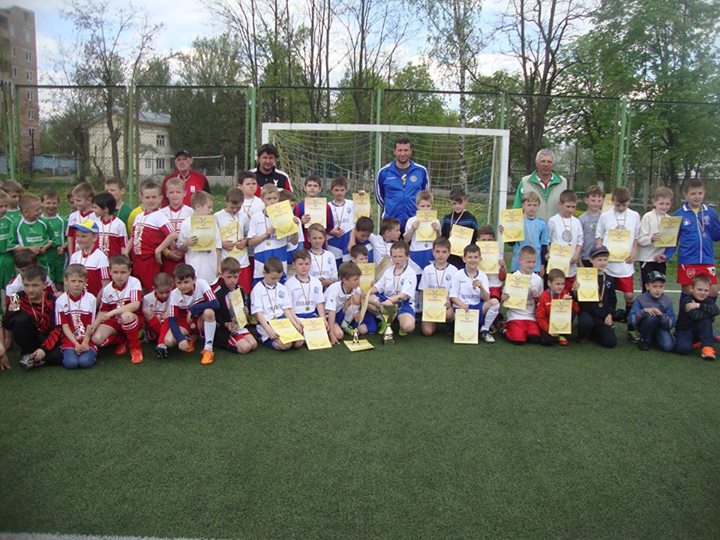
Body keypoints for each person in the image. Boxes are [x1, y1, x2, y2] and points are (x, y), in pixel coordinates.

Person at [663, 178, 720, 308]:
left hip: (707, 258)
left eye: (700, 193)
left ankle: (706, 318)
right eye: (693, 193)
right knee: (689, 290)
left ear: (704, 193)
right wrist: (666, 255)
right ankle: (684, 320)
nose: (697, 196)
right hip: (688, 259)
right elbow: (672, 239)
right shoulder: (679, 214)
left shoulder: (711, 213)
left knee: (712, 290)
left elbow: (716, 235)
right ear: (686, 194)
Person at [595, 186, 641, 340]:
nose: (621, 207)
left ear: (629, 202)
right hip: (608, 264)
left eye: (624, 205)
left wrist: (634, 253)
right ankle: (609, 321)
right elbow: (599, 237)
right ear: (612, 201)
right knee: (608, 295)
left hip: (625, 264)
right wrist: (600, 256)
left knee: (629, 295)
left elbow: (636, 237)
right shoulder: (605, 216)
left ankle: (630, 324)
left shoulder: (634, 215)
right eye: (618, 205)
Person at [156, 263, 219, 365]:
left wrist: (193, 308)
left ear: (194, 279)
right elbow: (172, 319)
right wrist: (180, 339)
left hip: (200, 320)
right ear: (175, 283)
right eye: (179, 283)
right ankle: (189, 338)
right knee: (168, 341)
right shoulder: (174, 294)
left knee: (209, 312)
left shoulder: (202, 284)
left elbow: (215, 303)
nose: (183, 286)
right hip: (185, 322)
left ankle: (208, 348)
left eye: (186, 282)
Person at [2, 266, 61, 368]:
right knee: (20, 319)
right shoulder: (16, 297)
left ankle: (37, 357)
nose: (30, 290)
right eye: (26, 285)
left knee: (57, 356)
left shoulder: (52, 300)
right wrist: (11, 311)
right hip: (28, 337)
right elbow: (7, 323)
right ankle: (28, 353)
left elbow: (57, 328)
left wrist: (44, 349)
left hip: (46, 337)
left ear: (45, 285)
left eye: (35, 285)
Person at [91, 254, 144, 364]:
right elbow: (103, 311)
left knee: (126, 316)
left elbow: (135, 305)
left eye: (123, 272)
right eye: (115, 272)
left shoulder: (134, 282)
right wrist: (94, 326)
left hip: (133, 319)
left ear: (129, 271)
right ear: (110, 271)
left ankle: (135, 348)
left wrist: (112, 312)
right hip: (115, 322)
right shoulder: (107, 289)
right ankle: (123, 340)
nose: (119, 276)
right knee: (96, 339)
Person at [127, 181, 178, 292]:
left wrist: (158, 250)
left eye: (154, 197)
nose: (151, 200)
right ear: (141, 198)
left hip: (150, 260)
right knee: (137, 288)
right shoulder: (138, 216)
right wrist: (126, 252)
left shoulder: (159, 216)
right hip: (136, 259)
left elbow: (173, 234)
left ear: (160, 198)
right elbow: (133, 237)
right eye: (147, 197)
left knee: (151, 288)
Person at [247, 184, 300, 286]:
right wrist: (266, 234)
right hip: (261, 261)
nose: (272, 201)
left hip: (280, 260)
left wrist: (295, 229)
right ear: (262, 199)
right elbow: (251, 243)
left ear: (279, 198)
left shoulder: (286, 216)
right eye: (269, 198)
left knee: (279, 290)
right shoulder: (256, 217)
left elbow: (294, 242)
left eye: (275, 198)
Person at [375, 137, 430, 232]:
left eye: (406, 150)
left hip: (414, 223)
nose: (403, 154)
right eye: (400, 150)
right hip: (390, 224)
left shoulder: (421, 171)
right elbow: (380, 197)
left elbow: (425, 196)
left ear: (411, 151)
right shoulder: (384, 172)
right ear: (394, 151)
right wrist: (393, 206)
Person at [448, 244, 500, 343]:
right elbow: (453, 296)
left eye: (476, 257)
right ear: (464, 259)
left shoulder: (482, 275)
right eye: (470, 257)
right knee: (462, 332)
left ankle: (484, 330)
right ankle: (455, 326)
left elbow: (487, 299)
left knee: (495, 302)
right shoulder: (458, 274)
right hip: (461, 308)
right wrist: (462, 304)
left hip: (476, 307)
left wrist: (481, 287)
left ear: (480, 259)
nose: (473, 260)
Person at [250, 257, 304, 351]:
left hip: (283, 322)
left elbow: (286, 309)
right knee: (286, 345)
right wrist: (269, 330)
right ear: (264, 273)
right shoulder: (257, 289)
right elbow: (258, 313)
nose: (276, 281)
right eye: (273, 278)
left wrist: (295, 323)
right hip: (267, 323)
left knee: (299, 343)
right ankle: (262, 338)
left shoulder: (282, 288)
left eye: (278, 278)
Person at [573, 245, 617, 348]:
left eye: (605, 259)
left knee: (610, 343)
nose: (603, 262)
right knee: (586, 323)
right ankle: (583, 335)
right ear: (591, 260)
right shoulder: (583, 276)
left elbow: (612, 299)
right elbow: (576, 299)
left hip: (602, 315)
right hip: (587, 312)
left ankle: (593, 334)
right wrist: (575, 291)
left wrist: (610, 314)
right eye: (599, 260)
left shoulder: (609, 279)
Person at [211, 257, 257, 355]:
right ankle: (220, 342)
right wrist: (225, 324)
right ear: (222, 275)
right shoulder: (218, 293)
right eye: (229, 277)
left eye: (235, 277)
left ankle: (239, 339)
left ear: (239, 274)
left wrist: (246, 312)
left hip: (238, 326)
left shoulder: (240, 290)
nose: (232, 280)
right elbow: (215, 315)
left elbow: (243, 310)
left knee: (253, 344)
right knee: (245, 348)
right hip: (225, 329)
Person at [55, 264, 97, 369]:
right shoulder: (60, 301)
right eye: (73, 281)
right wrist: (76, 344)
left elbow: (90, 324)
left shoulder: (91, 299)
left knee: (85, 362)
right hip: (70, 340)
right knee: (71, 364)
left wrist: (85, 342)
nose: (77, 284)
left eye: (80, 281)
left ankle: (92, 355)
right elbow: (65, 326)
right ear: (66, 281)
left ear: (86, 281)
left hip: (87, 338)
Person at [370, 241, 417, 336]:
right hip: (386, 302)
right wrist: (367, 292)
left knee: (408, 327)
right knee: (367, 298)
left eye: (400, 256)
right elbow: (378, 287)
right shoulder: (388, 271)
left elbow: (404, 295)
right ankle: (384, 320)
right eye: (394, 256)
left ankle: (400, 322)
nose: (397, 259)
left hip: (403, 304)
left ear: (407, 256)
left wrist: (391, 301)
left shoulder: (411, 273)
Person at [177, 191, 222, 285]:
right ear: (198, 207)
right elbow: (180, 247)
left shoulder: (213, 223)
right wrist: (186, 243)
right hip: (194, 267)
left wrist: (218, 266)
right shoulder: (186, 224)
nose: (211, 210)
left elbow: (218, 246)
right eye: (209, 207)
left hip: (211, 267)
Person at [502, 245, 544, 345]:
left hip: (530, 316)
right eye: (528, 262)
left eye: (534, 262)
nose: (531, 265)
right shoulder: (514, 277)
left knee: (534, 339)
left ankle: (524, 331)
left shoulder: (538, 279)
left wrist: (537, 297)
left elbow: (540, 302)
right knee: (518, 340)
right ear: (520, 261)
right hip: (515, 315)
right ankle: (504, 328)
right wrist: (504, 298)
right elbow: (505, 298)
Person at [513, 148, 568, 222]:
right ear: (536, 164)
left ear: (553, 164)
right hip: (531, 228)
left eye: (549, 162)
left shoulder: (563, 182)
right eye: (543, 161)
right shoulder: (525, 182)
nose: (546, 164)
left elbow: (568, 208)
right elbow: (517, 208)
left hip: (556, 228)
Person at [627, 270, 675, 352]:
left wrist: (661, 315)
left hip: (660, 327)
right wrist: (644, 311)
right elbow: (631, 320)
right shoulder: (640, 299)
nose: (658, 290)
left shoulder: (667, 301)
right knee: (651, 317)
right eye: (654, 286)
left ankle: (654, 337)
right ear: (647, 286)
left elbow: (671, 324)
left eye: (661, 286)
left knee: (668, 347)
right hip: (645, 326)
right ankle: (645, 340)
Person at [418, 237, 458, 336]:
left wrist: (449, 302)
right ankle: (435, 323)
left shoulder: (454, 270)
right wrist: (427, 306)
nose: (440, 255)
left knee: (449, 314)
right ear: (433, 252)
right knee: (427, 332)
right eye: (437, 251)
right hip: (431, 306)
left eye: (444, 252)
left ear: (449, 253)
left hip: (446, 305)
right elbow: (423, 291)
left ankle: (449, 323)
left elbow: (455, 292)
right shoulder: (427, 269)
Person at [215, 187, 251, 295]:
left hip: (242, 261)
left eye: (238, 207)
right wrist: (221, 244)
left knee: (243, 292)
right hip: (225, 260)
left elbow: (249, 235)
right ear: (226, 201)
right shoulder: (217, 216)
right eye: (232, 207)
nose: (235, 210)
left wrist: (245, 242)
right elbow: (212, 239)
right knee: (227, 293)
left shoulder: (244, 217)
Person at [637, 186, 674, 290]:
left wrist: (665, 256)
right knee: (647, 287)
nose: (664, 207)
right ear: (654, 202)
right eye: (661, 203)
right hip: (647, 259)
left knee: (659, 288)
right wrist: (651, 239)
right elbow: (640, 239)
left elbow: (672, 242)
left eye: (667, 204)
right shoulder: (647, 217)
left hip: (660, 260)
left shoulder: (670, 220)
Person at [675, 274, 719, 360]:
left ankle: (707, 348)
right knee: (683, 349)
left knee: (705, 320)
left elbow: (717, 310)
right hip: (685, 329)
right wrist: (710, 314)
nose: (703, 293)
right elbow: (695, 315)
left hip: (699, 329)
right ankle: (697, 341)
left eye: (706, 290)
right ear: (692, 289)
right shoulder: (687, 300)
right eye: (699, 289)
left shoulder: (708, 301)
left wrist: (698, 305)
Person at [547, 189, 583, 289]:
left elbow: (580, 241)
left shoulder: (577, 222)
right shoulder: (553, 221)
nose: (570, 210)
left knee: (570, 291)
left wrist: (576, 255)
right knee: (557, 290)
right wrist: (551, 254)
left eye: (573, 207)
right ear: (560, 204)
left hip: (571, 265)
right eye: (568, 206)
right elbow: (548, 241)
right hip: (557, 265)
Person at [505, 191, 548, 275]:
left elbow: (544, 245)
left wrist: (543, 264)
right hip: (518, 265)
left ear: (538, 206)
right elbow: (511, 243)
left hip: (535, 265)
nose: (532, 208)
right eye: (529, 205)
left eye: (535, 205)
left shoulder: (542, 224)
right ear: (523, 205)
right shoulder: (516, 221)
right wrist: (506, 232)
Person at [325, 261, 366, 345]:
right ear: (344, 280)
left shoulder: (356, 288)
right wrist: (331, 333)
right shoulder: (334, 289)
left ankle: (345, 325)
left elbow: (362, 302)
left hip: (341, 313)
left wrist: (359, 313)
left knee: (363, 329)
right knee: (339, 335)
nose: (358, 282)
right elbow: (331, 313)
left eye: (358, 279)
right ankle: (329, 329)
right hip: (328, 316)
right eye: (355, 279)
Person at [160, 177, 194, 276]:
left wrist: (182, 250)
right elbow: (158, 237)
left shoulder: (191, 212)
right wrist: (167, 252)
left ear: (185, 193)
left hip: (186, 255)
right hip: (167, 256)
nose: (175, 195)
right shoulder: (161, 213)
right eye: (171, 192)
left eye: (178, 192)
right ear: (166, 194)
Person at [535, 268, 578, 346]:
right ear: (549, 283)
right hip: (548, 323)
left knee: (572, 312)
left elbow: (576, 310)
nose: (560, 287)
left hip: (560, 323)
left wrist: (570, 302)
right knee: (547, 341)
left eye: (562, 284)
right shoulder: (544, 296)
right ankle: (556, 335)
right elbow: (540, 317)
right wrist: (549, 329)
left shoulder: (565, 293)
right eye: (557, 284)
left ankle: (562, 333)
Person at [404, 191, 441, 280]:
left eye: (428, 206)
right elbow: (405, 240)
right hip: (415, 253)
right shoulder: (411, 221)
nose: (425, 209)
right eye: (422, 206)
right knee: (416, 278)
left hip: (430, 252)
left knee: (430, 278)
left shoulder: (436, 221)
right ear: (417, 206)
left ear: (432, 206)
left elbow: (439, 241)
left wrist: (437, 231)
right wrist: (412, 229)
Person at [68, 220, 110, 298]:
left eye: (83, 236)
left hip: (94, 301)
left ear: (95, 237)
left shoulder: (101, 257)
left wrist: (96, 303)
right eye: (77, 236)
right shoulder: (74, 256)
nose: (79, 239)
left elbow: (106, 285)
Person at [441, 187, 479, 269]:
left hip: (464, 258)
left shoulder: (471, 219)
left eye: (460, 203)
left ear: (466, 202)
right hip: (449, 257)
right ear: (450, 203)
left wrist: (469, 253)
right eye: (454, 204)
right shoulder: (447, 219)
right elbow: (443, 237)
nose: (457, 206)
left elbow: (475, 239)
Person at [286, 249, 327, 321]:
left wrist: (323, 319)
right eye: (300, 264)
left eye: (306, 264)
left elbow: (319, 303)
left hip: (312, 315)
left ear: (310, 264)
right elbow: (289, 307)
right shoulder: (289, 284)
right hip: (296, 316)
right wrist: (296, 321)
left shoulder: (316, 282)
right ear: (294, 265)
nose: (304, 267)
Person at [15, 194, 53, 272]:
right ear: (26, 212)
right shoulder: (17, 224)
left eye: (40, 208)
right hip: (26, 263)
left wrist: (45, 247)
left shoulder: (44, 222)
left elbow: (52, 239)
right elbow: (12, 246)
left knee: (44, 277)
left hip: (42, 260)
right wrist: (29, 249)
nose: (40, 211)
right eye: (37, 210)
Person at [295, 175, 334, 248]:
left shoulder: (326, 207)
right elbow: (294, 227)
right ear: (305, 188)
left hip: (320, 244)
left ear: (320, 189)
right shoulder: (298, 207)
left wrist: (320, 233)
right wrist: (301, 222)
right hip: (304, 244)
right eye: (309, 185)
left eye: (315, 186)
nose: (312, 188)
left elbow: (330, 225)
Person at [40, 188, 66, 291]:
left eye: (54, 203)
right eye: (48, 203)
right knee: (46, 280)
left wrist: (63, 247)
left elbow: (68, 238)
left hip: (59, 255)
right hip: (45, 255)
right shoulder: (39, 221)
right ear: (42, 203)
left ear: (58, 203)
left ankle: (60, 299)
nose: (51, 206)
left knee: (60, 281)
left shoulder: (63, 221)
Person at [326, 177, 354, 267]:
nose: (339, 193)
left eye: (342, 190)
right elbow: (321, 225)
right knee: (335, 266)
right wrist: (330, 231)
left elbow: (366, 214)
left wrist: (363, 197)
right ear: (332, 190)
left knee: (348, 268)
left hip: (348, 240)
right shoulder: (327, 206)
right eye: (336, 190)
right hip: (332, 241)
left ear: (346, 190)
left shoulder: (352, 204)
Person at [92, 191, 128, 259]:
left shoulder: (119, 224)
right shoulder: (94, 223)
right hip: (97, 261)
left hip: (114, 262)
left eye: (95, 208)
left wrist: (122, 261)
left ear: (105, 209)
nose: (93, 210)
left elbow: (123, 245)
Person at [142, 272, 172, 343]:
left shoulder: (175, 295)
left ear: (171, 287)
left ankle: (163, 338)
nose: (164, 295)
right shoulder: (147, 298)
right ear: (154, 288)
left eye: (167, 292)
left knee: (171, 313)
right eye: (161, 293)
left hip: (169, 325)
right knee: (147, 311)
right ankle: (163, 337)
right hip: (154, 324)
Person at [66, 183, 95, 255]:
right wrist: (71, 255)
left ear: (89, 200)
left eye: (78, 201)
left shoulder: (95, 216)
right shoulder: (73, 216)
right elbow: (70, 237)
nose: (75, 203)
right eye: (74, 201)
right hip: (76, 255)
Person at [306, 223, 338, 289]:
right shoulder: (306, 255)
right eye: (314, 238)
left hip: (328, 289)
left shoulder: (330, 255)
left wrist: (330, 281)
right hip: (311, 288)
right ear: (309, 239)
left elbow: (335, 275)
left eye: (320, 238)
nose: (317, 241)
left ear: (324, 238)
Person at [579, 185, 604, 267]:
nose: (596, 203)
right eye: (593, 200)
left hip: (601, 257)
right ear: (586, 200)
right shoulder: (582, 219)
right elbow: (579, 239)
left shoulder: (605, 217)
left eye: (599, 201)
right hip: (585, 256)